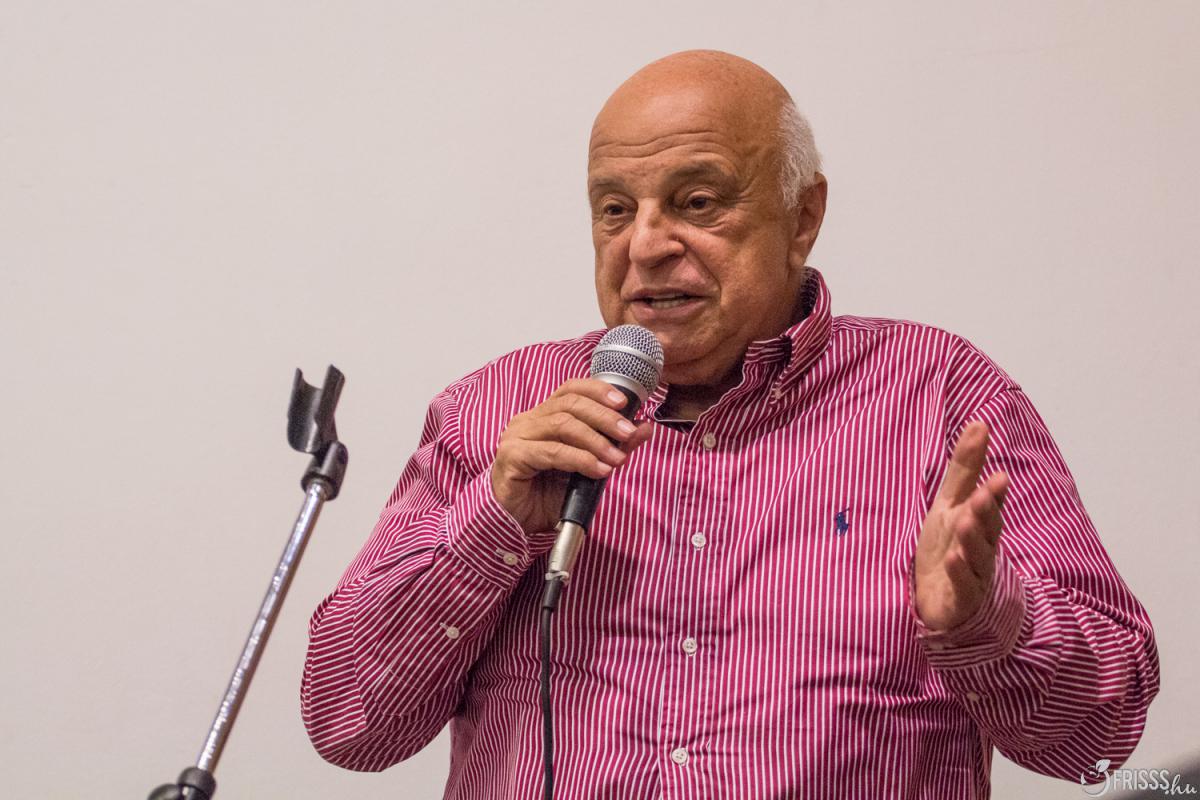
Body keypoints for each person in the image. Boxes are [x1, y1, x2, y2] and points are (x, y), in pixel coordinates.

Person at [301, 50, 1159, 799]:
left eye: (697, 200)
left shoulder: (941, 398)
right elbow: (347, 723)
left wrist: (987, 621)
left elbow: (1102, 740)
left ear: (803, 217)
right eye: (613, 209)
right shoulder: (494, 414)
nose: (645, 245)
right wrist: (490, 529)